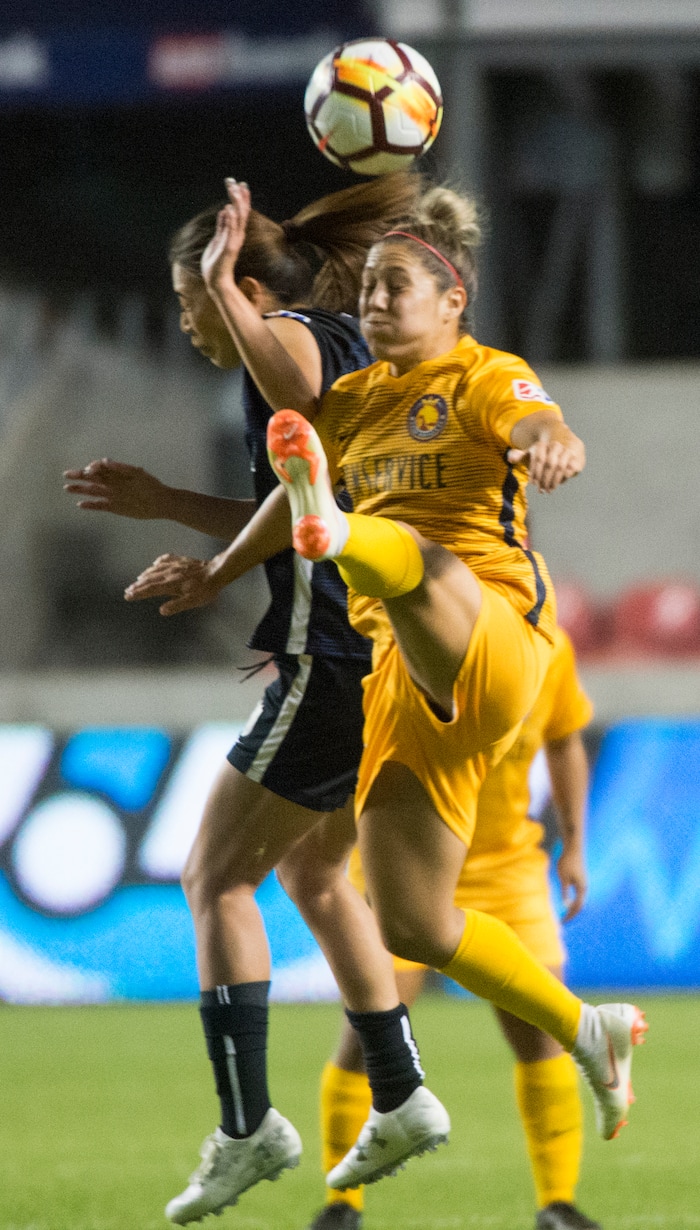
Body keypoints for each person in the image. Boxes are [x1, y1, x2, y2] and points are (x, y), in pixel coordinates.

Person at [65, 172, 453, 1226]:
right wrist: (173, 509)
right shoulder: (343, 337)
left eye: (187, 298)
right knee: (314, 873)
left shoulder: (293, 338)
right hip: (386, 653)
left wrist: (214, 574)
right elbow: (295, 499)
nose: (186, 321)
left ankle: (248, 1128)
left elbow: (293, 436)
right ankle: (400, 1090)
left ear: (231, 285)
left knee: (213, 875)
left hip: (334, 656)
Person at [257, 180, 647, 1191]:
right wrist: (212, 561)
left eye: (397, 286)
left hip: (497, 637)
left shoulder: (484, 375)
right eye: (367, 291)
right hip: (406, 681)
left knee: (420, 562)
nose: (375, 302)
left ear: (452, 301)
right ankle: (590, 1029)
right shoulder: (348, 405)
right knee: (411, 927)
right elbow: (275, 506)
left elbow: (535, 423)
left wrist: (554, 441)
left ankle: (340, 532)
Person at [310, 624, 602, 1230]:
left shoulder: (548, 644)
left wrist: (574, 845)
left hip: (506, 869)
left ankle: (558, 1204)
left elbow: (564, 739)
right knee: (369, 1035)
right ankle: (342, 1206)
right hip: (401, 863)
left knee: (541, 1035)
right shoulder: (399, 632)